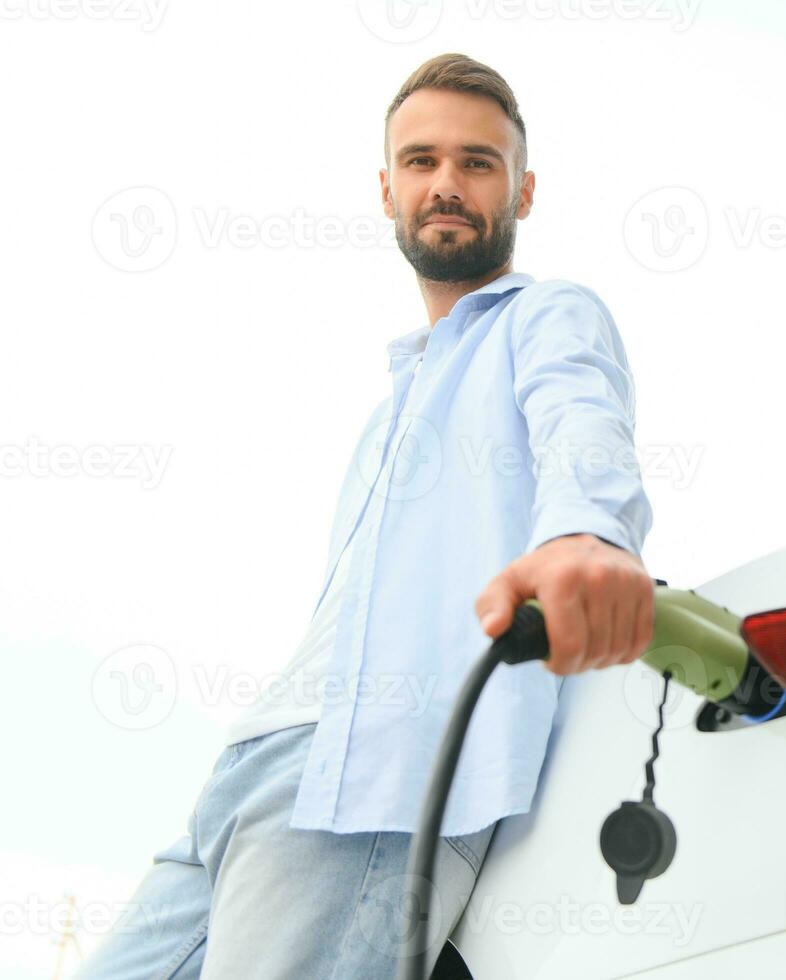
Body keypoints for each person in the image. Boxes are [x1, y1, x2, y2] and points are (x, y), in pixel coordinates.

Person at [78, 52, 655, 979]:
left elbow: (580, 422)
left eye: (478, 162)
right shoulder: (390, 412)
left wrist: (585, 536)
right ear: (386, 190)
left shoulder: (546, 317)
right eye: (421, 162)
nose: (447, 184)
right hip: (253, 768)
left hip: (379, 786)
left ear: (524, 190)